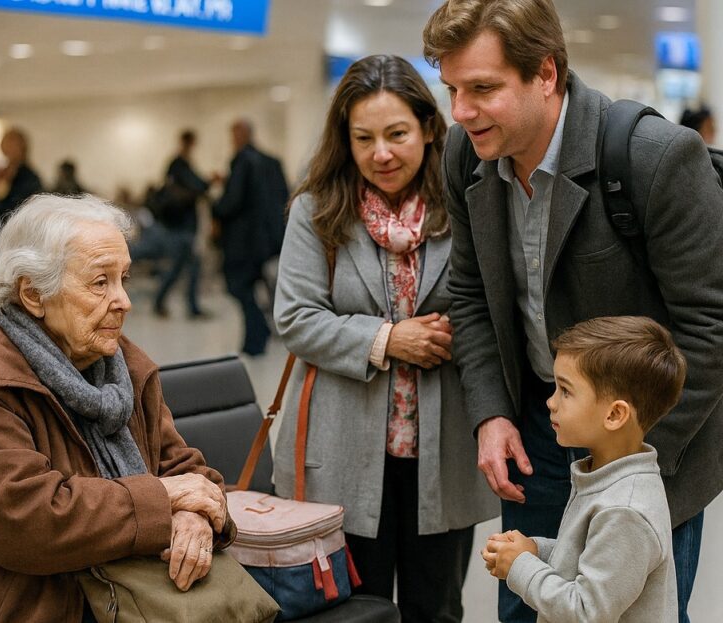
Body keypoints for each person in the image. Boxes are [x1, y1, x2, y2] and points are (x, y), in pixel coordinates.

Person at [422, 2, 723, 622]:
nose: (460, 112)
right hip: (541, 424)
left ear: (547, 73)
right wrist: (491, 413)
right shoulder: (464, 156)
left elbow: (711, 328)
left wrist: (630, 457)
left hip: (646, 445)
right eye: (452, 89)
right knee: (528, 605)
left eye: (482, 89)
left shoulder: (654, 158)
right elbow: (471, 292)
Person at [0, 194, 236, 621]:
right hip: (18, 604)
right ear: (33, 295)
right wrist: (163, 499)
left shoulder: (120, 364)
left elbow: (184, 470)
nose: (124, 300)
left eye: (123, 278)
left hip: (120, 596)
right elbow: (31, 521)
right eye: (100, 282)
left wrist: (197, 519)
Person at [273, 55, 497, 622]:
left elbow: (492, 307)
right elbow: (296, 317)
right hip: (343, 450)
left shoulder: (468, 202)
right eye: (363, 138)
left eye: (397, 134)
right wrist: (389, 339)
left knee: (438, 607)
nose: (381, 154)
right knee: (357, 611)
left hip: (442, 452)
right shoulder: (317, 211)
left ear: (427, 126)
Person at [482, 316, 685, 622]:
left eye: (565, 391)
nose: (551, 402)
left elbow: (585, 610)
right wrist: (535, 551)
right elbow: (585, 559)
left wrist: (520, 566)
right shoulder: (604, 477)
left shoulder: (626, 510)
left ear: (615, 414)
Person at [213, 119, 288, 355]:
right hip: (267, 240)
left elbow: (232, 202)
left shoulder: (242, 161)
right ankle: (259, 334)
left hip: (243, 242)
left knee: (239, 287)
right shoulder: (271, 162)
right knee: (258, 286)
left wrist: (215, 207)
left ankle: (257, 336)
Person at [154, 129, 211, 318]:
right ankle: (189, 307)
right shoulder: (179, 164)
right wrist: (208, 182)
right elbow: (198, 185)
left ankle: (162, 302)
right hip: (180, 226)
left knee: (180, 267)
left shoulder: (180, 165)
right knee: (188, 266)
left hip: (181, 225)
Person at [0, 126, 43, 230]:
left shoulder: (30, 177)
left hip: (19, 228)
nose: (10, 150)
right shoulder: (1, 173)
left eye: (13, 146)